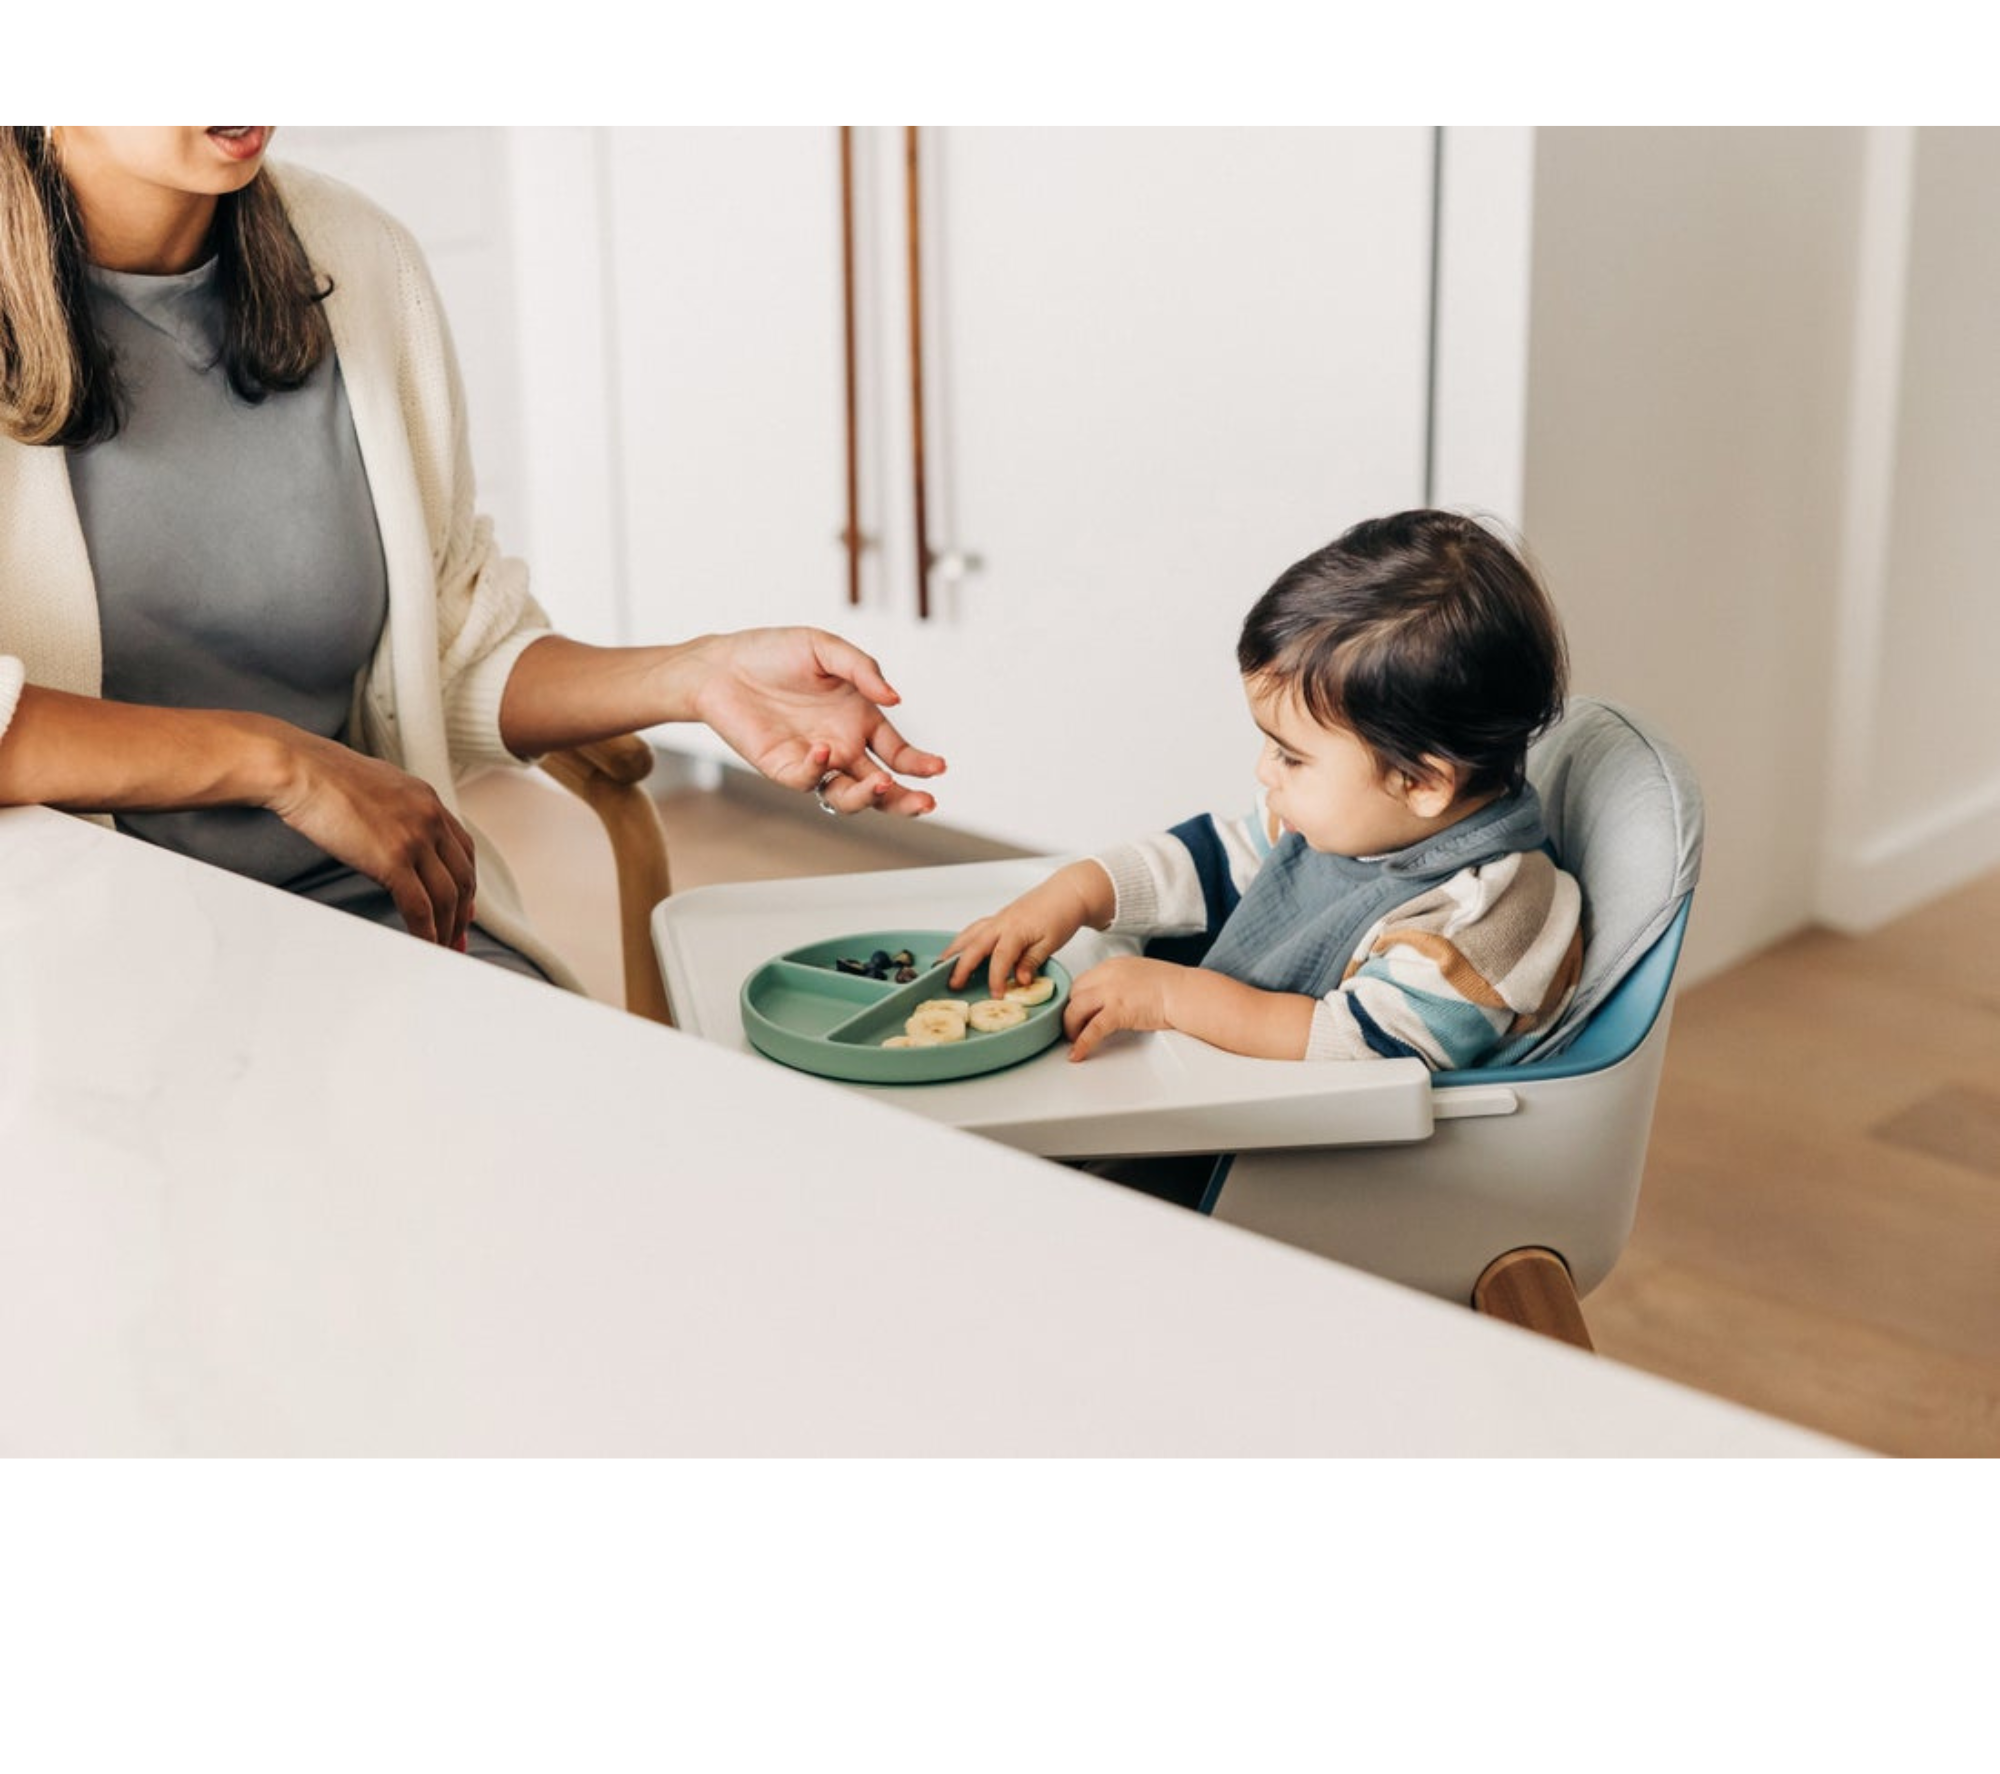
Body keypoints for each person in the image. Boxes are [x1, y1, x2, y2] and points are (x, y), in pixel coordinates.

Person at [0, 125, 944, 992]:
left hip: (377, 908)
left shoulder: (360, 259)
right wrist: (279, 762)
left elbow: (443, 650)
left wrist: (695, 675)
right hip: (73, 952)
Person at [942, 507, 1582, 1084]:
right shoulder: (1351, 823)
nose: (1264, 772)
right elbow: (1213, 861)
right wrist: (1075, 893)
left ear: (1421, 783)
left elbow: (1366, 1051)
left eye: (1291, 757)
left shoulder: (1485, 911)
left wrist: (1171, 997)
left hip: (1340, 1155)